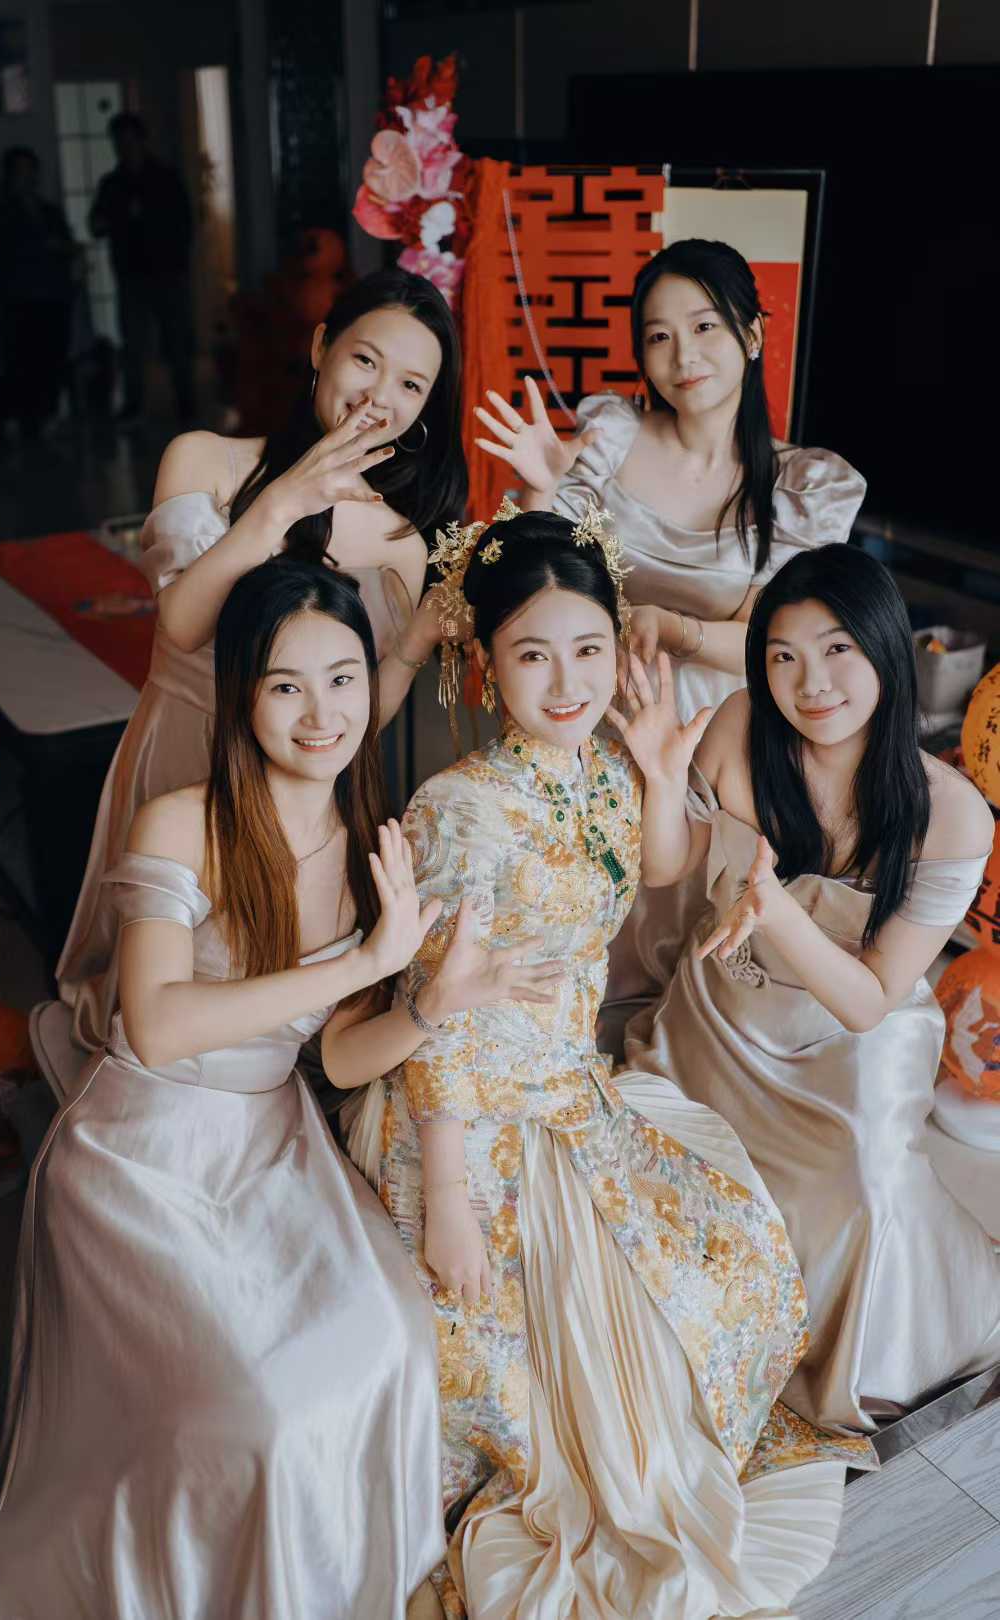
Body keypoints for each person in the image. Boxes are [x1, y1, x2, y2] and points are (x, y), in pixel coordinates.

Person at [0, 558, 565, 1618]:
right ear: (244, 693)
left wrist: (430, 1007)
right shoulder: (180, 822)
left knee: (391, 1339)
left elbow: (334, 1057)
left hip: (273, 1139)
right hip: (141, 1153)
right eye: (287, 685)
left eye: (343, 679)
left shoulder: (372, 842)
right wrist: (363, 961)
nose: (321, 713)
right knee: (257, 1412)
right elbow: (157, 1024)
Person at [344, 506, 872, 1619]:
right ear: (486, 664)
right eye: (533, 654)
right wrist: (448, 1196)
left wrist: (661, 771)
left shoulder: (598, 771)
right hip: (465, 1117)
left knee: (721, 1267)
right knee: (522, 1369)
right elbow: (437, 1019)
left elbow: (655, 872)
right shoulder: (458, 808)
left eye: (588, 648)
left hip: (568, 1091)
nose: (566, 680)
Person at [620, 543, 1000, 1432]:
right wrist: (662, 781)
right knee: (659, 1159)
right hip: (725, 1010)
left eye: (837, 650)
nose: (811, 683)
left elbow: (870, 999)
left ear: (885, 650)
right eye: (783, 656)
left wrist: (778, 910)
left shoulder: (950, 812)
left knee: (861, 1187)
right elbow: (667, 867)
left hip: (851, 1031)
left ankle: (863, 1349)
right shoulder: (738, 726)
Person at [57, 267, 468, 1050]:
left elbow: (354, 719)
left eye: (411, 384)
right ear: (320, 348)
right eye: (365, 360)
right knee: (155, 981)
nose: (380, 395)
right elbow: (183, 624)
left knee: (265, 999)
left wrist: (413, 648)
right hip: (183, 749)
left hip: (295, 793)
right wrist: (281, 503)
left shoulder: (398, 543)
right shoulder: (204, 460)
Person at [473, 238, 867, 1020]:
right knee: (572, 947)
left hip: (724, 739)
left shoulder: (804, 485)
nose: (683, 355)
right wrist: (542, 490)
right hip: (592, 716)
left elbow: (780, 645)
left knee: (702, 949)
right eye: (658, 335)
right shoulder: (611, 437)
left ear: (752, 335)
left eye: (704, 326)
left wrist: (675, 629)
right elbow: (534, 578)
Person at [89, 112, 196, 425]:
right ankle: (134, 403)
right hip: (131, 273)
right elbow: (97, 224)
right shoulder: (112, 184)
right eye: (119, 142)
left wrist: (177, 260)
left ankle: (185, 401)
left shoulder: (164, 178)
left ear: (141, 141)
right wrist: (114, 221)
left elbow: (184, 223)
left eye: (129, 140)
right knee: (133, 343)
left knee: (175, 339)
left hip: (166, 270)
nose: (124, 147)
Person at [0, 146, 78, 438]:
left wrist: (62, 252)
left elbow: (66, 244)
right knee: (20, 360)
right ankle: (20, 417)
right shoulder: (1, 214)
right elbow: (5, 250)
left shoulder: (49, 212)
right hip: (19, 298)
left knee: (52, 357)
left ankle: (48, 413)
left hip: (52, 295)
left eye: (30, 171)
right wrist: (43, 246)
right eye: (20, 172)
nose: (26, 178)